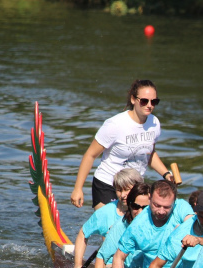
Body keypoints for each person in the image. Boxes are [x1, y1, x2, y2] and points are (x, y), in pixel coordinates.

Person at [71, 79, 174, 209]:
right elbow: (90, 155)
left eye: (154, 102)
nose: (149, 105)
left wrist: (166, 174)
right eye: (144, 101)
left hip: (134, 188)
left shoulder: (154, 123)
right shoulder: (115, 125)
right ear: (133, 99)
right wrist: (78, 188)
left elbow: (150, 153)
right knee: (109, 227)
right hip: (108, 184)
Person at [111, 180, 192, 268]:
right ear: (149, 198)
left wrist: (184, 229)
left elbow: (195, 223)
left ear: (174, 202)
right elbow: (118, 257)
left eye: (166, 207)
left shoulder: (181, 207)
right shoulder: (138, 226)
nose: (161, 211)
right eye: (156, 205)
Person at [71, 168, 143, 268]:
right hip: (112, 267)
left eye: (127, 189)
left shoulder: (148, 210)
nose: (123, 195)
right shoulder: (105, 212)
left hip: (140, 266)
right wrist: (77, 265)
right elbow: (83, 234)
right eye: (119, 190)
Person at [93, 182, 150, 268]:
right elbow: (102, 257)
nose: (140, 212)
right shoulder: (121, 226)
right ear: (129, 205)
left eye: (145, 208)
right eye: (136, 206)